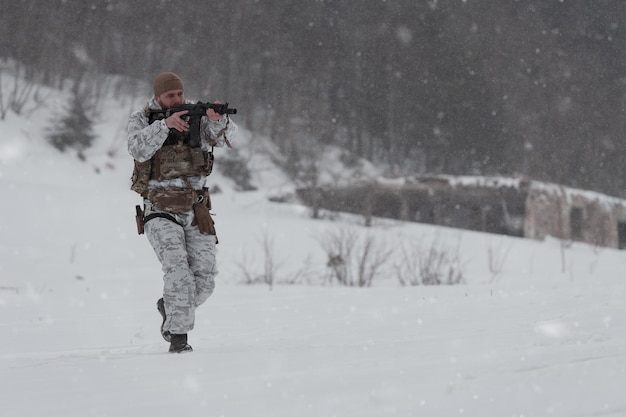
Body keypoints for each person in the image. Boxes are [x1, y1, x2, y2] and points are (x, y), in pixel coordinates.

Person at [127, 72, 238, 353]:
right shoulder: (143, 118)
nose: (176, 99)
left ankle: (170, 306)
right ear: (159, 97)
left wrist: (217, 120)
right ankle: (178, 339)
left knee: (205, 280)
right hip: (160, 209)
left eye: (179, 94)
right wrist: (165, 125)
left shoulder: (195, 115)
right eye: (170, 96)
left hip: (196, 209)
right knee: (177, 271)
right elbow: (137, 149)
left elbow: (227, 139)